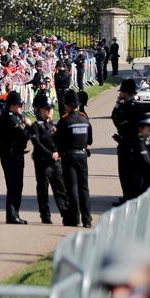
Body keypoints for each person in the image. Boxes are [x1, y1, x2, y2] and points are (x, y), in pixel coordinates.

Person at [29, 94, 69, 225]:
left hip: (56, 161)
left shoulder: (54, 124)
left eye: (50, 108)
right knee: (43, 189)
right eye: (46, 109)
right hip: (42, 162)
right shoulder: (36, 126)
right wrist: (50, 154)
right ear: (39, 110)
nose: (49, 111)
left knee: (60, 188)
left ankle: (66, 214)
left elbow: (61, 140)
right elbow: (37, 144)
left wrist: (59, 152)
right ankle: (45, 215)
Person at [56, 90, 93, 228]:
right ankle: (87, 219)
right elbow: (90, 140)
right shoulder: (85, 119)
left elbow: (58, 141)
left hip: (69, 156)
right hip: (83, 156)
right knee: (84, 188)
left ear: (67, 105)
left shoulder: (64, 121)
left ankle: (74, 218)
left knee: (72, 188)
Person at [0, 91, 30, 224]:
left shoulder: (15, 116)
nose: (21, 107)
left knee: (17, 185)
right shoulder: (10, 118)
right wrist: (28, 125)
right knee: (14, 185)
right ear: (12, 105)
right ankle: (12, 215)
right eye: (19, 105)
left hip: (15, 154)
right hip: (11, 155)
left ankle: (14, 213)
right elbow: (24, 135)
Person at [111, 78, 144, 203]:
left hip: (127, 142)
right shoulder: (138, 106)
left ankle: (128, 197)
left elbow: (114, 117)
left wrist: (118, 102)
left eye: (122, 92)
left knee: (125, 172)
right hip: (132, 142)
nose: (120, 94)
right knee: (131, 172)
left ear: (126, 93)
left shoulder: (125, 107)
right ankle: (129, 196)